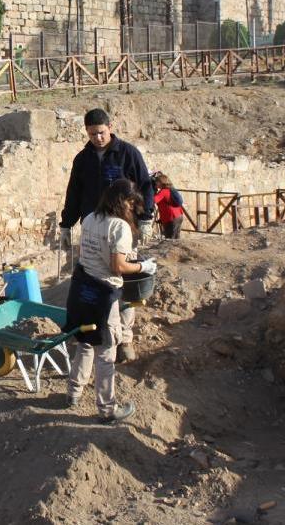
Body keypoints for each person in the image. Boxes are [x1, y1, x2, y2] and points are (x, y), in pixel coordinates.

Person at [59, 108, 155, 363]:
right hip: (92, 227)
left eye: (101, 132)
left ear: (110, 127)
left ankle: (124, 338)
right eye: (92, 134)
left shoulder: (127, 154)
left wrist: (145, 218)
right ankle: (96, 329)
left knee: (121, 278)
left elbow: (145, 186)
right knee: (92, 280)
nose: (98, 138)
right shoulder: (83, 159)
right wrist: (66, 225)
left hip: (123, 228)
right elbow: (74, 193)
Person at [63, 178, 155, 423]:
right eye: (132, 204)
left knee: (84, 341)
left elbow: (87, 253)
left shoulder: (91, 218)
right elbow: (118, 266)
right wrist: (142, 265)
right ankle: (107, 409)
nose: (132, 210)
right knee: (106, 352)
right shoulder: (119, 227)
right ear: (124, 201)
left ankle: (73, 392)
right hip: (104, 294)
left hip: (82, 288)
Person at [151, 172, 185, 239]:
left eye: (157, 182)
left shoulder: (163, 191)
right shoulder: (169, 190)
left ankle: (173, 249)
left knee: (170, 239)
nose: (156, 183)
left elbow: (153, 201)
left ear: (161, 182)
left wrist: (150, 192)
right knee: (175, 238)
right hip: (177, 216)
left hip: (171, 218)